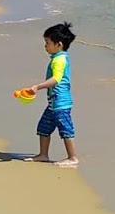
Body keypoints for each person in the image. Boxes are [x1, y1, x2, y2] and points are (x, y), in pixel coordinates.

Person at [29, 21, 79, 166]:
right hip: (53, 103)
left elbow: (56, 79)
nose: (45, 46)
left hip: (61, 103)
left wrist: (37, 87)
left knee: (66, 130)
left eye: (47, 42)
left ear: (59, 44)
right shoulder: (57, 58)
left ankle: (72, 158)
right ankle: (43, 155)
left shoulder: (59, 60)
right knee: (43, 128)